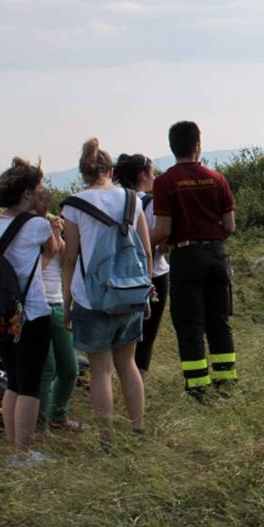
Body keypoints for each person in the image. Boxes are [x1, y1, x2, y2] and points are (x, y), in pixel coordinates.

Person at [60, 139, 149, 439]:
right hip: (130, 293)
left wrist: (68, 302)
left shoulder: (73, 206)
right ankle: (138, 428)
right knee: (128, 364)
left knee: (100, 371)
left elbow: (70, 258)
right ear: (111, 170)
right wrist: (147, 294)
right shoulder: (132, 199)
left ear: (84, 173)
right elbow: (146, 252)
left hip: (91, 297)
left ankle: (106, 437)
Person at [149, 121, 238, 399]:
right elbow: (229, 225)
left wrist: (144, 246)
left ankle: (199, 387)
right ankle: (226, 382)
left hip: (186, 257)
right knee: (219, 320)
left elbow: (162, 229)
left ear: (172, 147)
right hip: (216, 255)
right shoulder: (218, 178)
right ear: (198, 145)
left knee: (190, 324)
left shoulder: (165, 183)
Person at [0, 159, 55, 466]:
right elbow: (55, 249)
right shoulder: (36, 225)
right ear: (28, 193)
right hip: (32, 313)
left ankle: (12, 449)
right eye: (39, 187)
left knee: (13, 381)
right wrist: (41, 213)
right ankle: (24, 454)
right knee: (30, 384)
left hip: (2, 314)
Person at [114, 153, 170, 378]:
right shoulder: (151, 202)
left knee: (123, 333)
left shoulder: (117, 200)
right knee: (146, 335)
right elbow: (163, 240)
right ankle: (139, 382)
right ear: (143, 175)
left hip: (121, 274)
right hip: (154, 273)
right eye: (153, 172)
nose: (155, 176)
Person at [33, 186, 83, 434]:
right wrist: (52, 234)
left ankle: (58, 415)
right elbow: (42, 259)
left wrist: (58, 232)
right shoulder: (26, 226)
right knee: (47, 368)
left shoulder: (47, 222)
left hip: (58, 302)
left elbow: (66, 254)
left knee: (70, 368)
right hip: (39, 304)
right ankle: (41, 428)